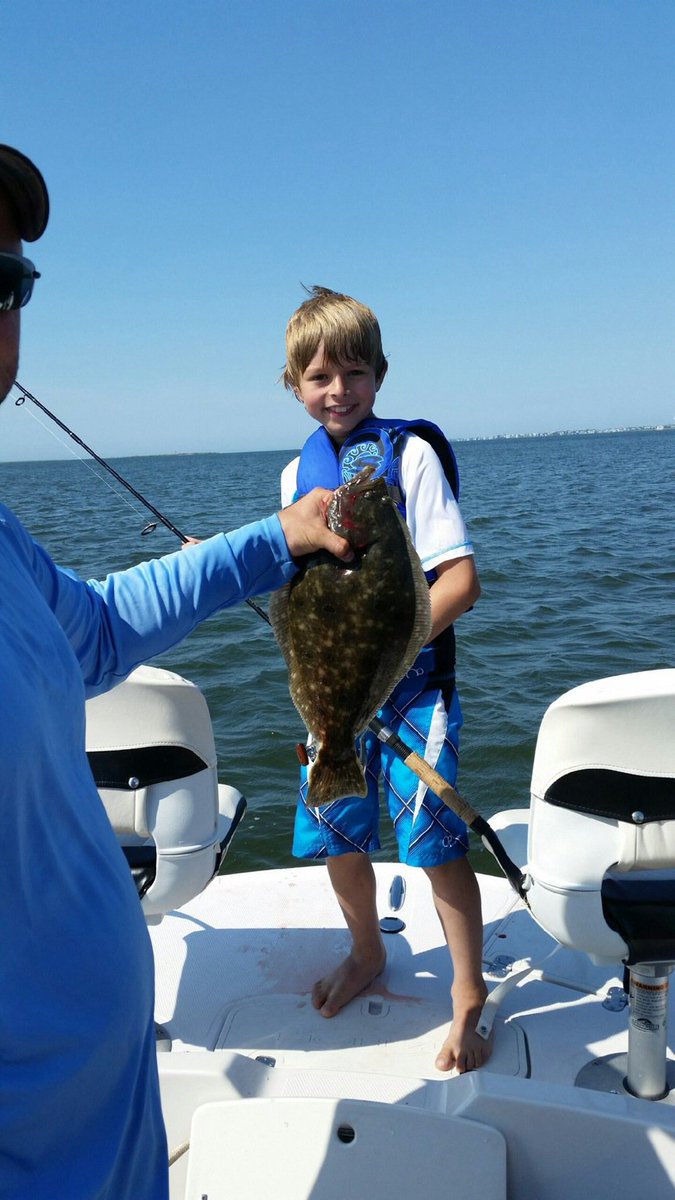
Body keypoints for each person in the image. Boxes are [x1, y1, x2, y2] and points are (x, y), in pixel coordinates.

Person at [0, 147, 352, 1200]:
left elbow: (97, 629)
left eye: (5, 281)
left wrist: (275, 539)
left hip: (110, 1132)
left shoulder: (5, 546)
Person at [281, 285, 491, 1075]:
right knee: (335, 829)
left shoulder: (410, 456)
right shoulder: (292, 476)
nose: (339, 391)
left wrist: (389, 657)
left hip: (410, 688)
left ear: (380, 375)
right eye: (320, 377)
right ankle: (366, 949)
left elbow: (459, 582)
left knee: (434, 843)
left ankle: (467, 991)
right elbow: (296, 593)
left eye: (355, 373)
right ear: (294, 385)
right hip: (336, 696)